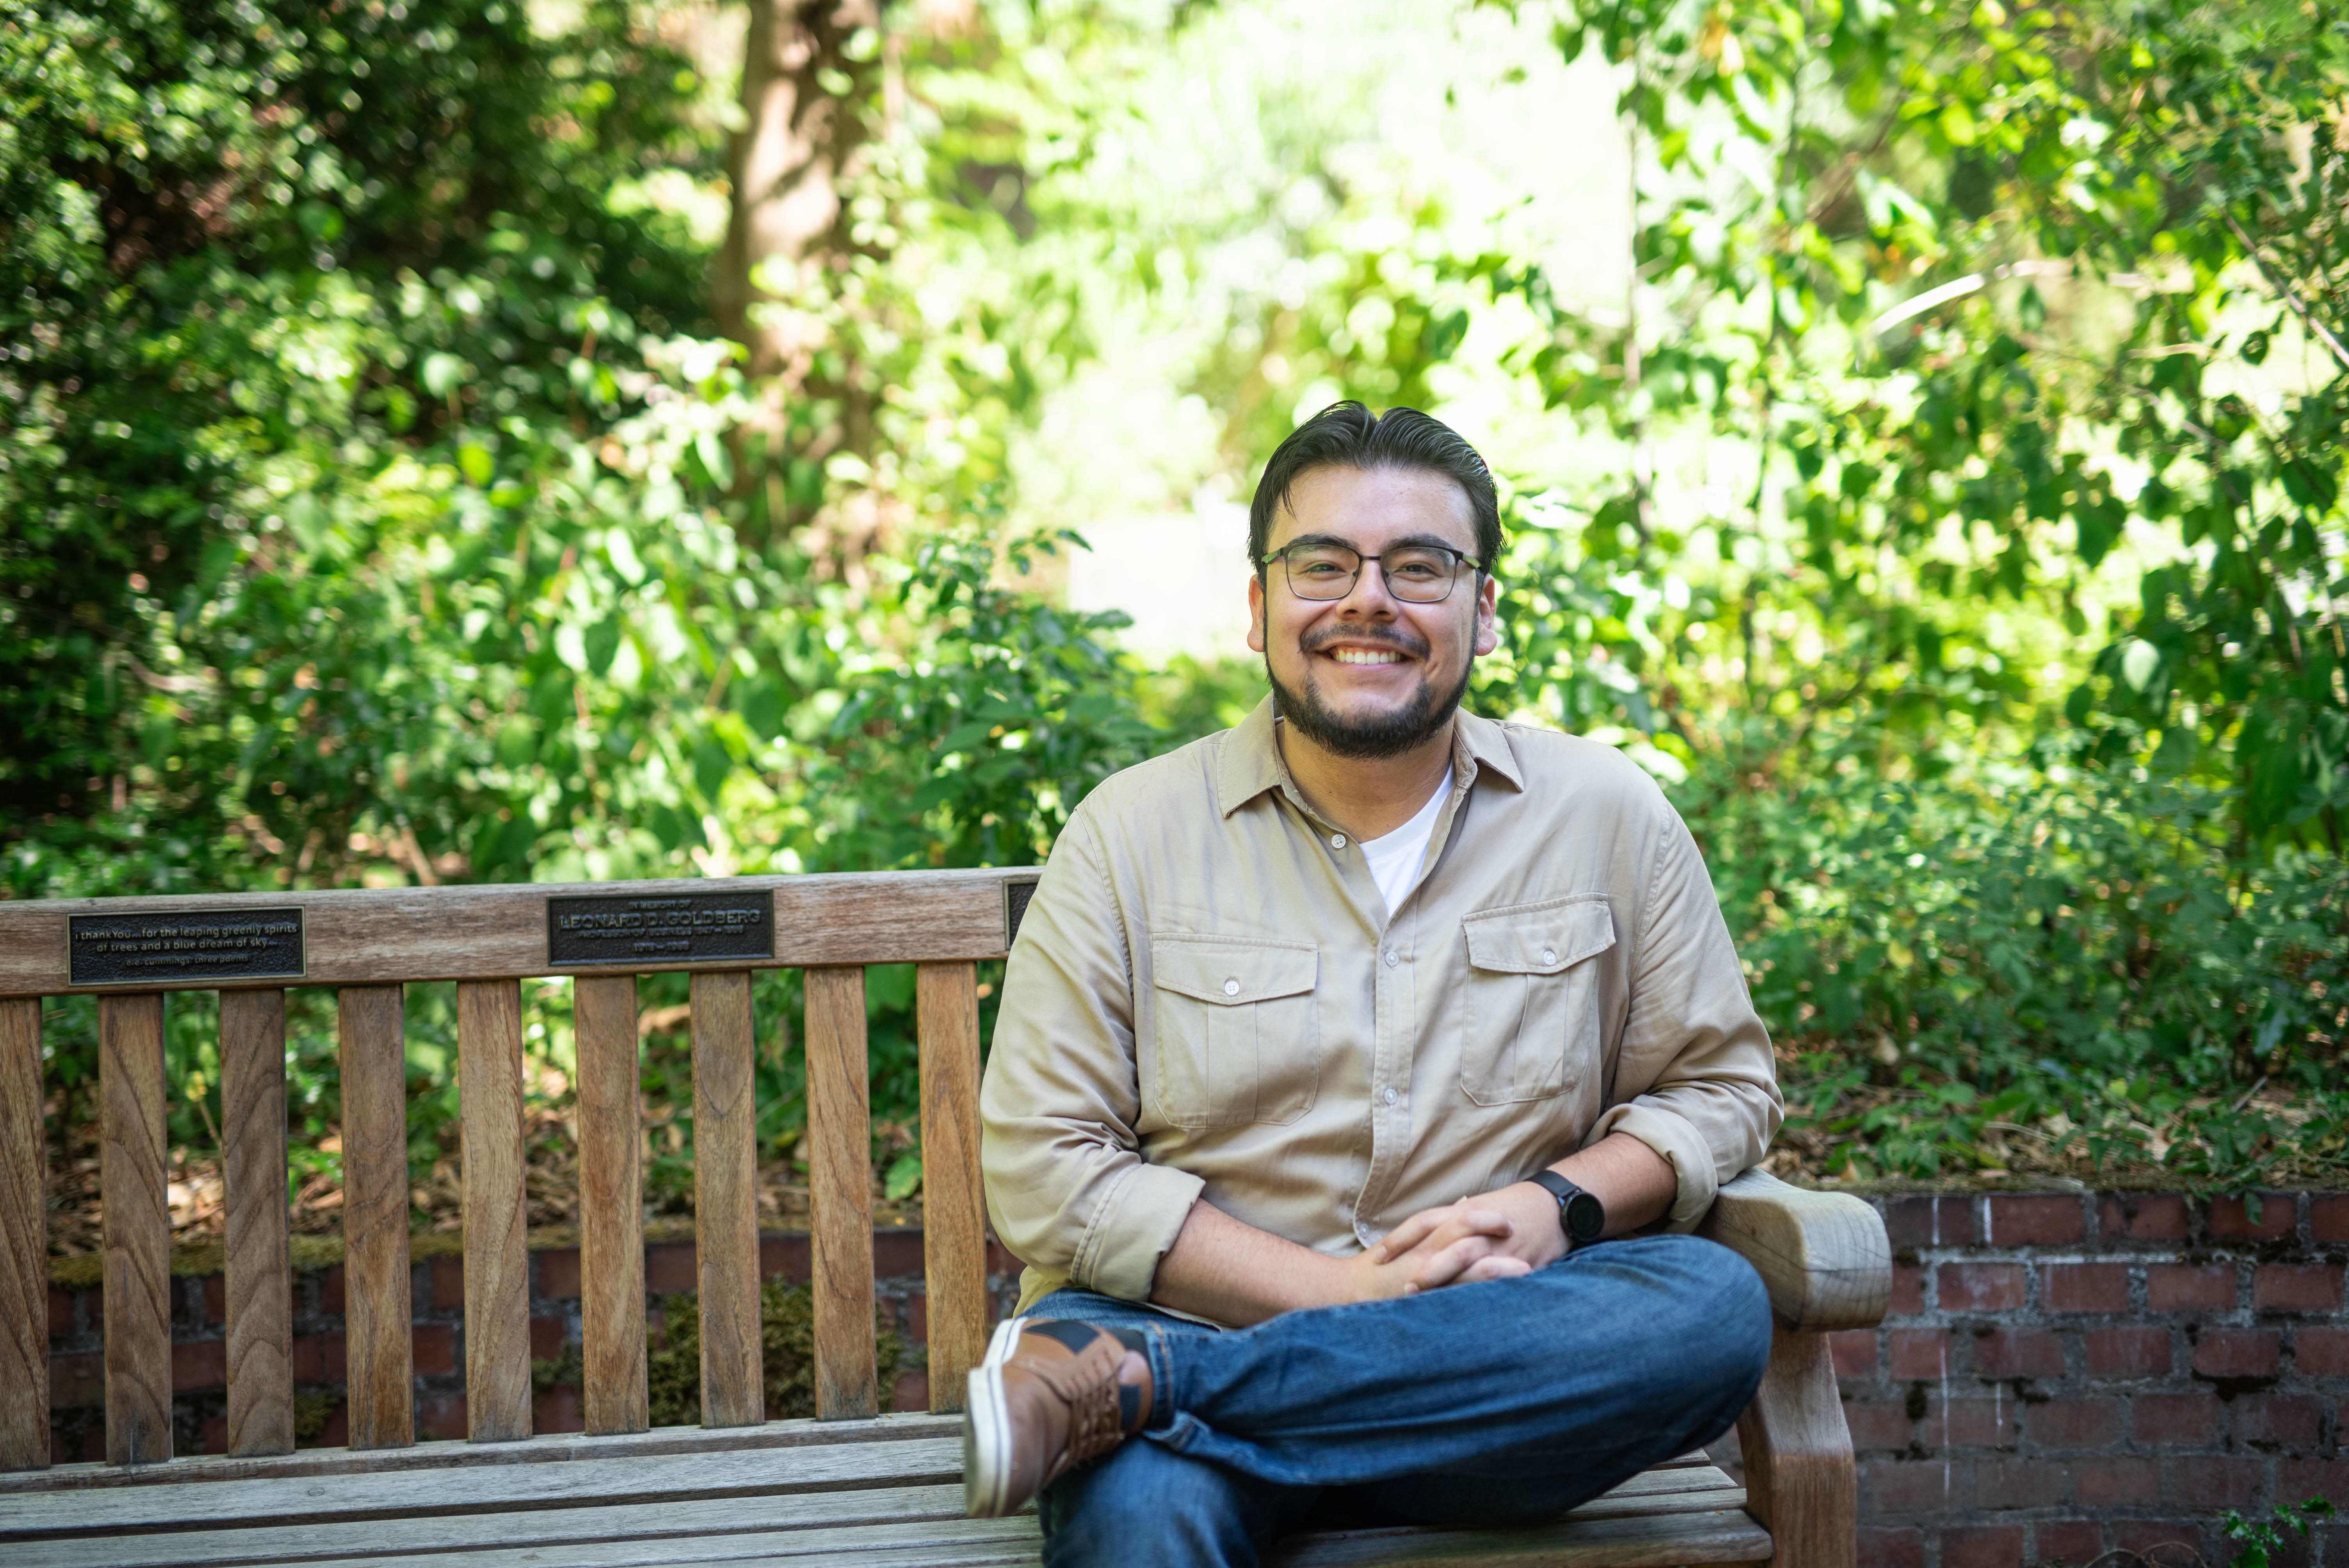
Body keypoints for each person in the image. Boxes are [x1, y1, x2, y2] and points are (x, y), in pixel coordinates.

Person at [966, 402, 1782, 1565]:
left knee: (1708, 1310)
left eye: (1421, 566)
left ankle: (1163, 1392)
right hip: (1185, 1320)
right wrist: (1337, 1299)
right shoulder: (1130, 835)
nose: (1369, 600)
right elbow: (1047, 1166)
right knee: (1144, 1529)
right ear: (1260, 608)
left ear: (1483, 610)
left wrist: (1558, 1208)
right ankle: (1185, 1384)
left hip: (1486, 1359)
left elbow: (1720, 1090)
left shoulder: (1606, 816)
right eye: (1323, 564)